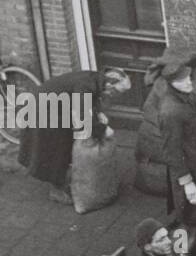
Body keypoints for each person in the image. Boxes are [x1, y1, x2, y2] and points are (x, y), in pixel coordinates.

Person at [135, 52, 196, 256]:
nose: (189, 83)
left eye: (189, 78)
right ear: (171, 83)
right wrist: (186, 181)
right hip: (189, 169)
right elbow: (171, 150)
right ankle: (182, 253)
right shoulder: (170, 111)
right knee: (189, 216)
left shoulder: (183, 96)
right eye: (183, 80)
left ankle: (192, 247)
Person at [18, 67, 131, 204]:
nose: (117, 96)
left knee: (63, 143)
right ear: (109, 85)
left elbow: (88, 102)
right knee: (57, 148)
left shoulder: (94, 79)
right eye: (118, 92)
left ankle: (63, 179)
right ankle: (57, 190)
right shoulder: (86, 85)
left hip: (51, 107)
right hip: (41, 112)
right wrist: (102, 130)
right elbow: (83, 115)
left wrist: (98, 114)